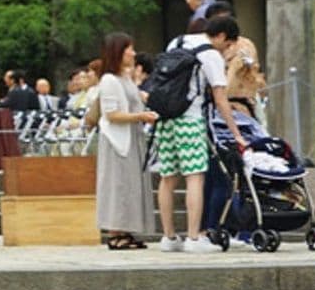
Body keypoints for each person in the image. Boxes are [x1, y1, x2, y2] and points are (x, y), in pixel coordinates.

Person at [154, 14, 250, 254]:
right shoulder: (210, 55)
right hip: (190, 119)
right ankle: (194, 238)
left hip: (165, 118)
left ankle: (169, 237)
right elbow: (220, 99)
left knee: (167, 178)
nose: (227, 50)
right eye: (227, 44)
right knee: (195, 177)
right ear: (220, 36)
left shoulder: (177, 42)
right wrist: (236, 132)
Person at [93, 32, 156, 249]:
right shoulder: (109, 80)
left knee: (130, 184)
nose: (133, 53)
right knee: (118, 183)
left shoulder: (126, 77)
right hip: (118, 140)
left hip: (132, 136)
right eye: (128, 48)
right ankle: (114, 232)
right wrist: (141, 117)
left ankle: (126, 230)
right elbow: (112, 114)